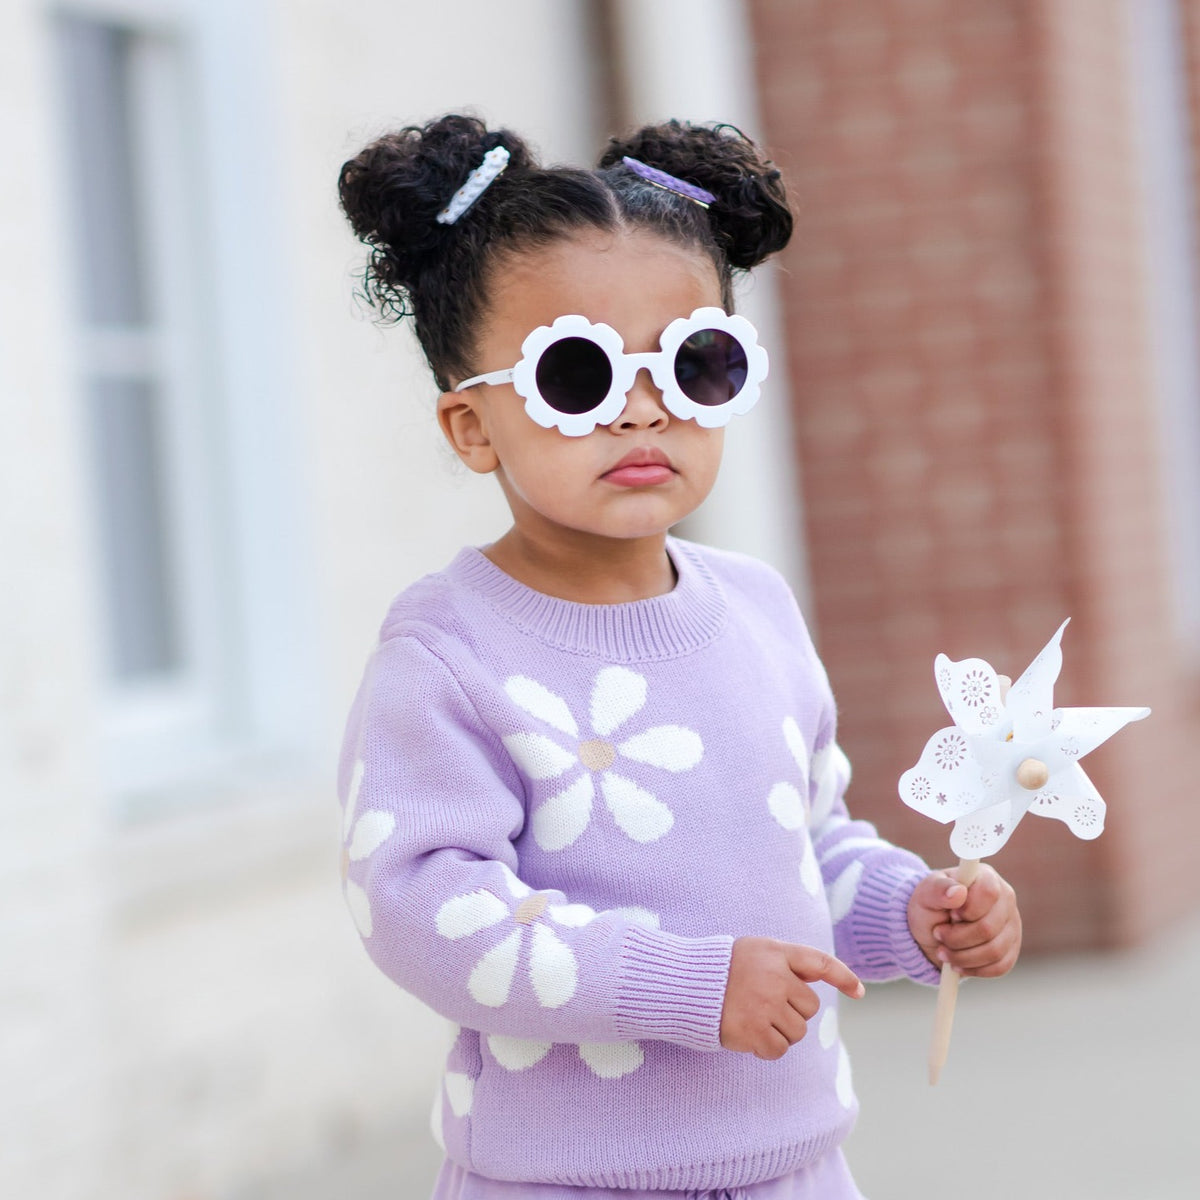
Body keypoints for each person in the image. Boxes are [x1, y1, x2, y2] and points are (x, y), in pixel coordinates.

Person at [335, 114, 1022, 1200]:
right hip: (563, 1180)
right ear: (473, 429)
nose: (645, 408)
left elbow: (807, 846)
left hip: (796, 1166)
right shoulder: (447, 653)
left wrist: (910, 909)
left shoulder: (755, 609)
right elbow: (428, 914)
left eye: (694, 364)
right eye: (578, 375)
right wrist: (687, 987)